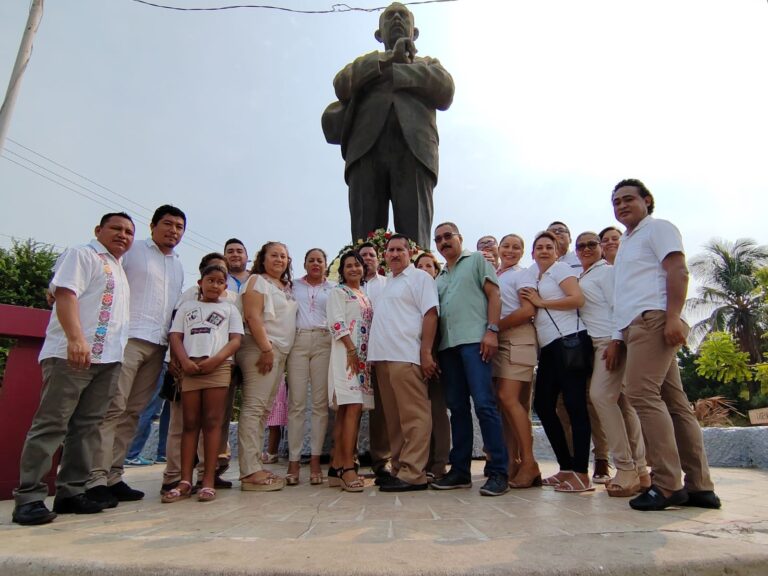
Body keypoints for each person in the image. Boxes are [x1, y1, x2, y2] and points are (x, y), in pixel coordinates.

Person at [12, 213, 135, 525]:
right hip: (72, 355)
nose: (123, 235)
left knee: (87, 426)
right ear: (99, 230)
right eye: (116, 229)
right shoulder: (82, 254)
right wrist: (76, 339)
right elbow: (65, 295)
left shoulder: (119, 269)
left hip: (108, 360)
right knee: (52, 423)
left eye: (128, 232)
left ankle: (71, 491)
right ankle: (29, 497)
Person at [610, 178, 720, 511]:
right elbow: (624, 293)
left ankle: (668, 484)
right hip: (634, 327)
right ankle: (700, 486)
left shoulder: (658, 228)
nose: (622, 206)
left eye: (629, 199)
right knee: (675, 403)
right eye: (616, 202)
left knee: (640, 393)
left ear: (647, 200)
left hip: (654, 320)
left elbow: (678, 270)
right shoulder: (628, 241)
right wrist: (618, 337)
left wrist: (673, 317)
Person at [322, 2, 454, 249]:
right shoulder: (365, 63)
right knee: (364, 237)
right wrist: (387, 61)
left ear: (414, 32)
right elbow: (341, 84)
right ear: (378, 34)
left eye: (403, 16)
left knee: (415, 237)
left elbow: (445, 90)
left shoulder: (427, 63)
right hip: (365, 149)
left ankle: (418, 280)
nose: (396, 19)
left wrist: (400, 70)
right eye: (389, 16)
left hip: (414, 149)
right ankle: (361, 281)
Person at [86, 205, 185, 508]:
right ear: (153, 225)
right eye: (167, 224)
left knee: (134, 411)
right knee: (112, 408)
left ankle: (115, 475)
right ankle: (94, 479)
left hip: (157, 345)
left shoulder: (178, 265)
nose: (174, 231)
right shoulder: (133, 251)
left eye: (180, 227)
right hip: (126, 339)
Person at [432, 222, 509, 496]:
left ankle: (499, 471)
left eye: (447, 236)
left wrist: (492, 330)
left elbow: (494, 294)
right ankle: (460, 471)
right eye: (438, 239)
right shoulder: (439, 278)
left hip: (475, 343)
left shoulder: (476, 260)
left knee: (485, 405)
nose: (443, 242)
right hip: (448, 348)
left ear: (459, 238)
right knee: (457, 409)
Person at [574, 231, 649, 497]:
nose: (586, 249)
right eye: (580, 245)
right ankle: (640, 470)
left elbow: (619, 305)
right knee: (621, 403)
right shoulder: (585, 275)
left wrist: (617, 341)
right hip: (597, 344)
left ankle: (627, 468)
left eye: (592, 244)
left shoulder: (605, 272)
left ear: (601, 248)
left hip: (609, 341)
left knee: (601, 396)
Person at [164, 264, 243, 503]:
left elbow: (236, 340)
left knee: (212, 424)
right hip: (190, 369)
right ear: (200, 282)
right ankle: (185, 480)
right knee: (189, 424)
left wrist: (217, 360)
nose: (215, 285)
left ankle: (207, 480)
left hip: (217, 369)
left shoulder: (230, 309)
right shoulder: (187, 307)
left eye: (220, 282)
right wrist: (184, 361)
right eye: (210, 280)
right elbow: (175, 336)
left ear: (225, 287)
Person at [520, 231, 593, 493]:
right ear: (532, 253)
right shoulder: (536, 275)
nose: (543, 251)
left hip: (570, 341)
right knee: (542, 405)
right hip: (549, 347)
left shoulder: (561, 269)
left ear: (557, 251)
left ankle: (583, 474)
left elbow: (577, 299)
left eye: (548, 247)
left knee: (575, 407)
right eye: (538, 247)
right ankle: (566, 467)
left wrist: (542, 302)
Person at [368, 235, 439, 492]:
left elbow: (430, 314)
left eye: (400, 249)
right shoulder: (388, 284)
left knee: (415, 416)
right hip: (383, 358)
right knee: (394, 420)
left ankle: (414, 473)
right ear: (384, 255)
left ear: (409, 253)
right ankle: (399, 468)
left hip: (406, 355)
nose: (395, 254)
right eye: (390, 250)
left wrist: (426, 352)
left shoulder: (420, 278)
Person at [548, 220, 611, 482]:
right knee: (563, 405)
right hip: (563, 344)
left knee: (591, 400)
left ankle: (602, 459)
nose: (556, 236)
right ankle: (573, 462)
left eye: (561, 231)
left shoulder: (583, 264)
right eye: (552, 233)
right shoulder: (546, 267)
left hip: (592, 337)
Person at [236, 242, 297, 491]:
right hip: (261, 350)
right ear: (263, 258)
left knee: (264, 410)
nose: (279, 260)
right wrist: (266, 349)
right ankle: (249, 472)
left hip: (278, 352)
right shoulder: (257, 282)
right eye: (274, 255)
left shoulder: (284, 287)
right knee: (254, 407)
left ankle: (254, 465)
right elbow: (252, 316)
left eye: (283, 256)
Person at [493, 234, 541, 489]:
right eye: (506, 246)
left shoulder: (522, 274)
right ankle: (513, 460)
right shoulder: (497, 274)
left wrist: (494, 327)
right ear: (498, 248)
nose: (510, 250)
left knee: (509, 398)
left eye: (516, 247)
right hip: (498, 339)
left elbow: (527, 310)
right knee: (505, 405)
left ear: (523, 252)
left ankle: (530, 462)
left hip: (517, 336)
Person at [326, 251, 375, 492]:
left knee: (350, 411)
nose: (354, 269)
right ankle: (347, 467)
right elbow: (336, 323)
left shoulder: (364, 296)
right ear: (342, 272)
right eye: (348, 266)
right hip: (346, 356)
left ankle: (336, 467)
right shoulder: (339, 293)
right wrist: (352, 351)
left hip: (363, 359)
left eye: (357, 265)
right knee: (350, 408)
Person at [285, 248, 334, 485]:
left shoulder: (333, 288)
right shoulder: (292, 286)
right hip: (298, 340)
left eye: (320, 260)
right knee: (296, 403)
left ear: (326, 264)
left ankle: (315, 460)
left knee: (320, 404)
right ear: (304, 264)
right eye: (311, 260)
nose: (316, 263)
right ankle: (294, 461)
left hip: (324, 341)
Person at [414, 251, 450, 480]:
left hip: (437, 354)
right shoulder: (410, 291)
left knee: (437, 410)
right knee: (419, 411)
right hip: (411, 354)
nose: (425, 269)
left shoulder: (441, 292)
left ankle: (439, 463)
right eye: (421, 265)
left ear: (436, 271)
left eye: (430, 265)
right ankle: (421, 461)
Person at [359, 242, 392, 482]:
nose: (368, 258)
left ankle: (381, 460)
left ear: (378, 260)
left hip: (381, 350)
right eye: (363, 255)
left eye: (372, 255)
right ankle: (346, 458)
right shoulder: (347, 286)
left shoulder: (388, 284)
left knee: (381, 408)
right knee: (349, 405)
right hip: (352, 354)